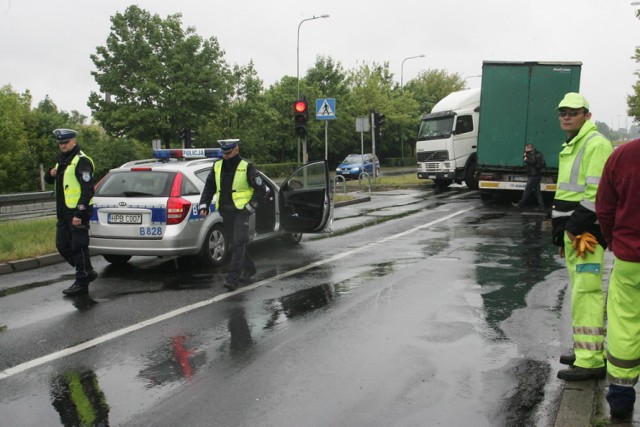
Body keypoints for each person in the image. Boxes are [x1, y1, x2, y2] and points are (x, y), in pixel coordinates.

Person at [551, 93, 613, 381]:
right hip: (576, 231)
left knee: (587, 293)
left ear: (587, 115)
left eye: (573, 112)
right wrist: (560, 231)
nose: (566, 116)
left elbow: (596, 194)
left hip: (585, 233)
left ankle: (591, 361)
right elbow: (566, 193)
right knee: (579, 293)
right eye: (562, 112)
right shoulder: (573, 143)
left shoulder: (595, 143)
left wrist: (574, 227)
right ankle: (584, 349)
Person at [595, 138, 640, 420]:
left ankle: (621, 400)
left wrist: (613, 239)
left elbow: (605, 207)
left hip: (630, 258)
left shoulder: (624, 154)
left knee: (624, 323)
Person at [198, 139, 267, 291]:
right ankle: (250, 268)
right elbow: (210, 186)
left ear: (236, 150)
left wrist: (250, 207)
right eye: (223, 153)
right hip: (225, 210)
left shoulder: (247, 166)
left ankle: (232, 279)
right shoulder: (217, 165)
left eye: (228, 153)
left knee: (237, 242)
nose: (226, 156)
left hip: (241, 211)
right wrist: (204, 204)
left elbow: (261, 189)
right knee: (235, 243)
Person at [44, 129, 98, 296]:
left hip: (76, 213)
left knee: (79, 246)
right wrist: (50, 173)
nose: (63, 145)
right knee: (62, 245)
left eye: (66, 142)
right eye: (60, 143)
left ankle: (82, 281)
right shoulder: (63, 160)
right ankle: (87, 270)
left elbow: (87, 190)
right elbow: (50, 180)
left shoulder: (81, 161)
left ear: (74, 141)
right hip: (63, 212)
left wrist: (79, 214)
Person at [512, 143, 546, 210]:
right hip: (537, 175)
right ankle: (541, 206)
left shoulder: (532, 153)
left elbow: (532, 162)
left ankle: (520, 204)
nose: (525, 150)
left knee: (527, 191)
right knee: (537, 192)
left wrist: (525, 159)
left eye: (526, 148)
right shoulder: (537, 153)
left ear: (529, 148)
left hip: (533, 176)